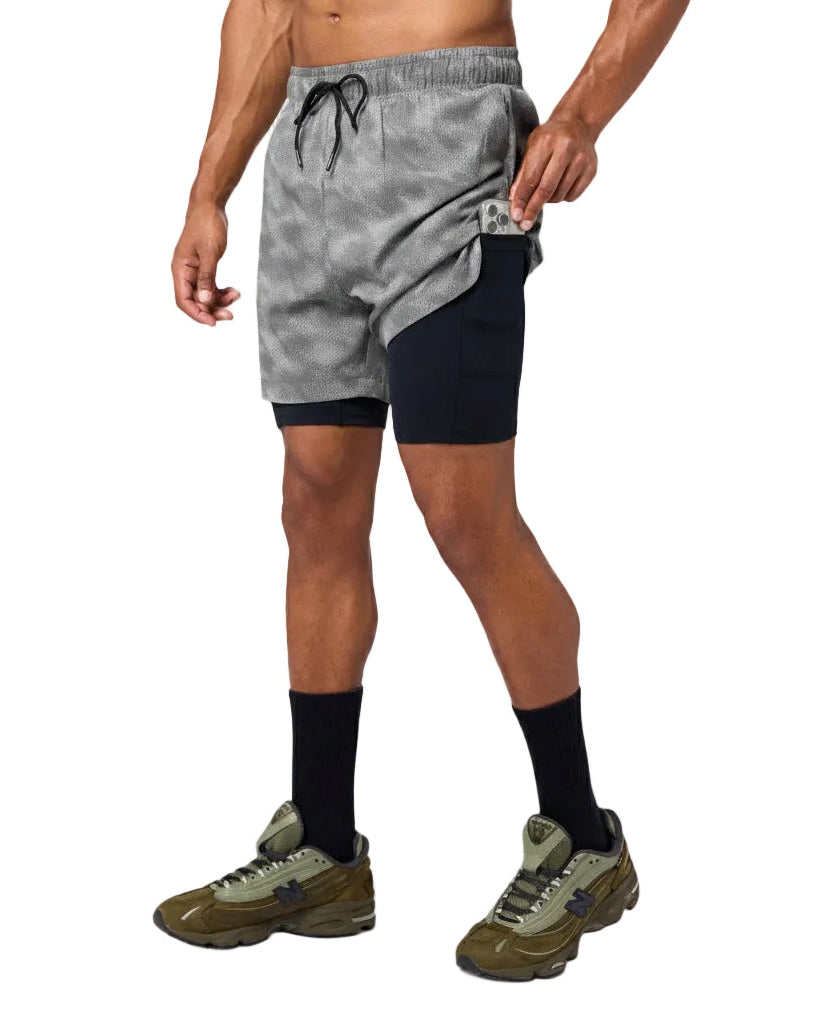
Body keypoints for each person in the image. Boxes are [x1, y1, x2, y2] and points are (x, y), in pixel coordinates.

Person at [155, 0, 688, 979]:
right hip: (309, 156)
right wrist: (208, 190)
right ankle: (324, 847)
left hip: (449, 144)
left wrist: (582, 114)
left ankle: (584, 838)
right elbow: (266, 8)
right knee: (314, 503)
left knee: (464, 515)